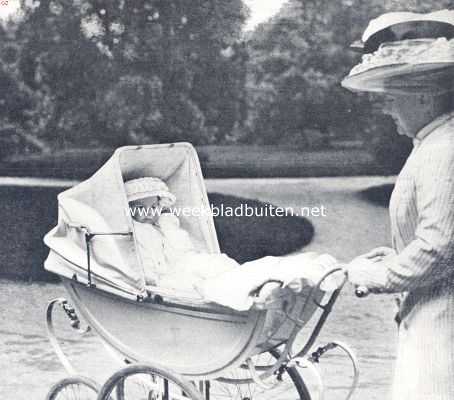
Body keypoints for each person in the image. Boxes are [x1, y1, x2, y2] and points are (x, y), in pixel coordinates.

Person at [342, 10, 454, 400]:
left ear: (424, 97)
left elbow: (440, 248)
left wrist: (376, 275)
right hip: (429, 315)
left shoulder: (445, 149)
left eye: (392, 98)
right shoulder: (432, 143)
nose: (387, 109)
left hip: (443, 326)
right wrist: (395, 253)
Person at [125, 177, 339, 310]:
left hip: (185, 263)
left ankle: (284, 277)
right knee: (210, 283)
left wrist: (169, 226)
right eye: (141, 208)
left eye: (154, 206)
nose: (149, 213)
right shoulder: (137, 234)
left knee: (229, 268)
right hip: (168, 276)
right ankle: (260, 287)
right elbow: (147, 268)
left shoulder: (165, 225)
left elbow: (182, 249)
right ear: (131, 209)